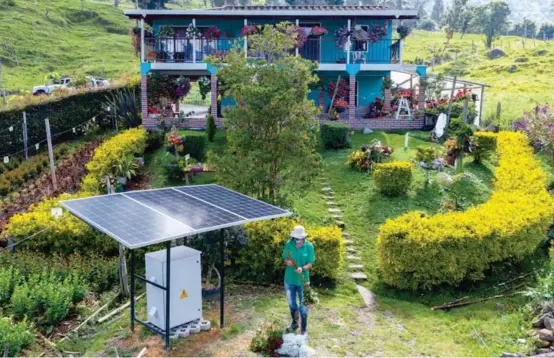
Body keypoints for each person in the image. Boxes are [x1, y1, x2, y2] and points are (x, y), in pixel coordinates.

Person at [281, 225, 315, 336]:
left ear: (303, 238)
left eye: (299, 239)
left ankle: (303, 329)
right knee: (292, 304)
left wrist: (303, 268)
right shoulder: (288, 244)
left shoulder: (309, 246)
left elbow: (310, 263)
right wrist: (287, 262)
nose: (297, 241)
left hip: (303, 281)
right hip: (289, 280)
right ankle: (295, 323)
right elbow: (284, 258)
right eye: (295, 239)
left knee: (303, 306)